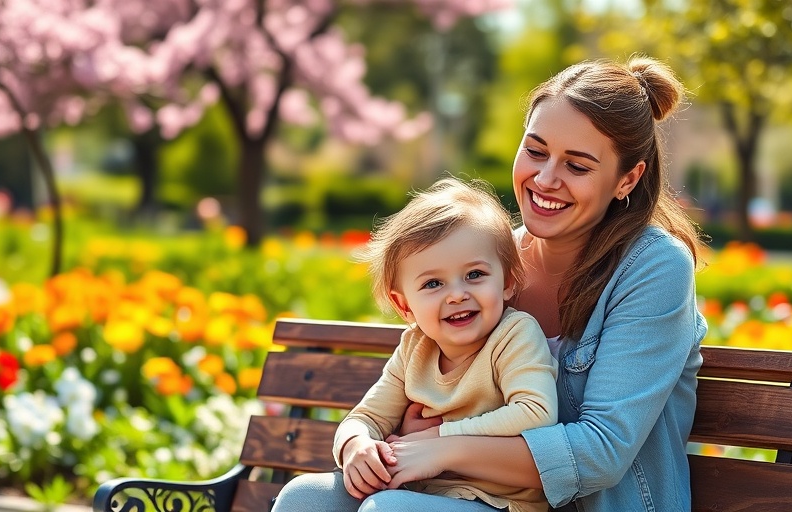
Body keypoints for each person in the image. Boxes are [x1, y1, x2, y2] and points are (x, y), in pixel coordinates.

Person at [280, 54, 707, 512]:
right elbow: (396, 405)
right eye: (536, 151)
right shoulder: (487, 261)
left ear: (628, 179)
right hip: (460, 493)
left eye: (577, 166)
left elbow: (600, 453)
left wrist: (439, 445)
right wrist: (368, 443)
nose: (546, 178)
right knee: (304, 500)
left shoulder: (654, 267)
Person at [274, 177, 559, 512]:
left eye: (475, 275)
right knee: (301, 496)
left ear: (507, 281)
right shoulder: (414, 347)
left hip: (497, 503)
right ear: (405, 305)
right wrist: (355, 444)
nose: (457, 294)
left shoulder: (513, 335)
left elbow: (536, 413)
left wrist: (437, 439)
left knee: (386, 509)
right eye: (433, 283)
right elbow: (366, 417)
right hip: (420, 494)